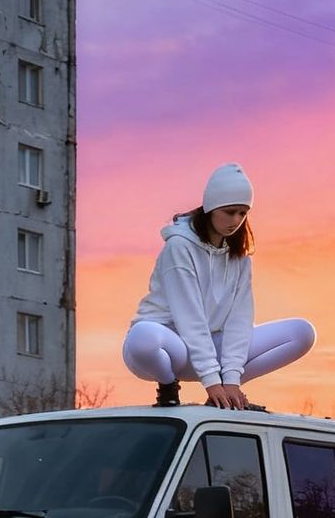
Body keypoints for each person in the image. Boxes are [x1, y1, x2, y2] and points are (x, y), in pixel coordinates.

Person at [123, 163, 316, 409]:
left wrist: (231, 379)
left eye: (242, 213)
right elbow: (189, 316)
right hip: (169, 350)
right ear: (212, 208)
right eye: (229, 211)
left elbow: (239, 320)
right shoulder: (179, 247)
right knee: (143, 336)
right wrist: (210, 380)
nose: (236, 220)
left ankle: (226, 394)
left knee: (302, 333)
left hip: (214, 352)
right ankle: (168, 387)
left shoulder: (240, 257)